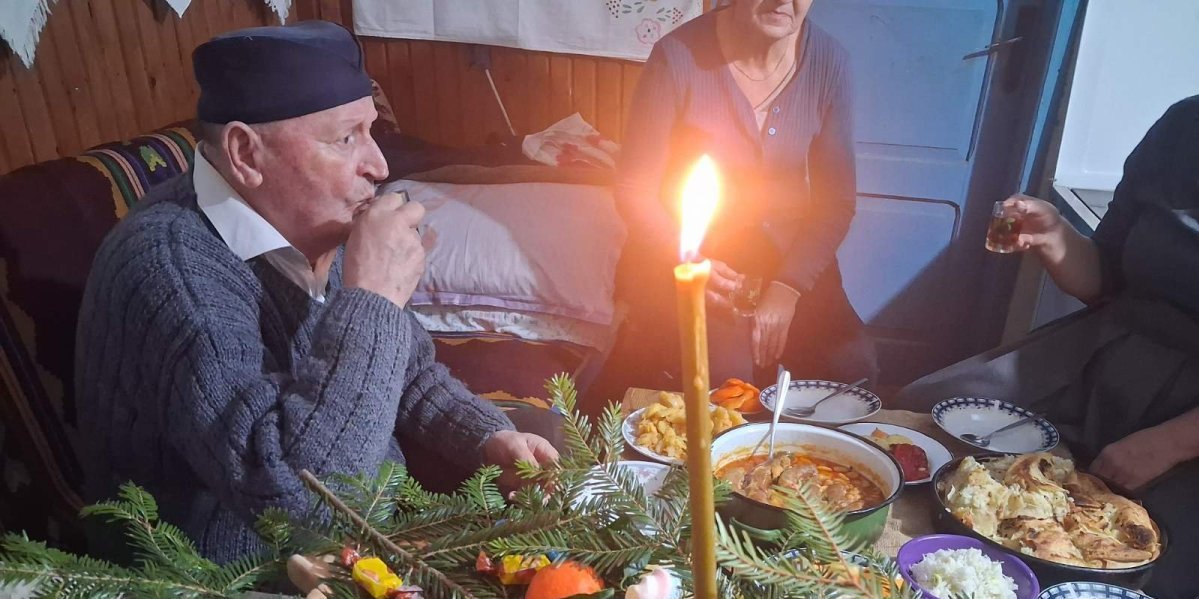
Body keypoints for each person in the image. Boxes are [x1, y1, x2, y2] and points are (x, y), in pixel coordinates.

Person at [74, 21, 557, 564]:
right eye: (346, 138)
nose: (379, 166)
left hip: (366, 532)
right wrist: (373, 300)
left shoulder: (313, 217)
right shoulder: (170, 270)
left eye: (371, 131)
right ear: (245, 154)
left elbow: (408, 372)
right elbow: (303, 509)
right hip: (231, 571)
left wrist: (486, 438)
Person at [895, 96, 1199, 598]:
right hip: (1107, 353)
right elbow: (1106, 278)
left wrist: (1169, 444)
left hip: (1188, 423)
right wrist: (1054, 235)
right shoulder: (1183, 124)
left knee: (1146, 566)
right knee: (925, 413)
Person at [615, 0, 877, 388]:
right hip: (700, 256)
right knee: (727, 378)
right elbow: (635, 188)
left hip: (792, 254)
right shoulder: (677, 56)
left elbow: (836, 203)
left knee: (851, 366)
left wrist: (788, 287)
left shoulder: (830, 62)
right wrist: (690, 261)